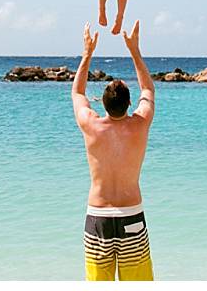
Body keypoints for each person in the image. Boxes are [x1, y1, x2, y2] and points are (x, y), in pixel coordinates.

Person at [71, 20, 156, 281]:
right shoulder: (139, 125)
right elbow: (148, 89)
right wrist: (134, 50)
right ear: (129, 103)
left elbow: (77, 92)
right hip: (131, 215)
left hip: (98, 219)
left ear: (103, 105)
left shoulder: (91, 125)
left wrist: (87, 53)